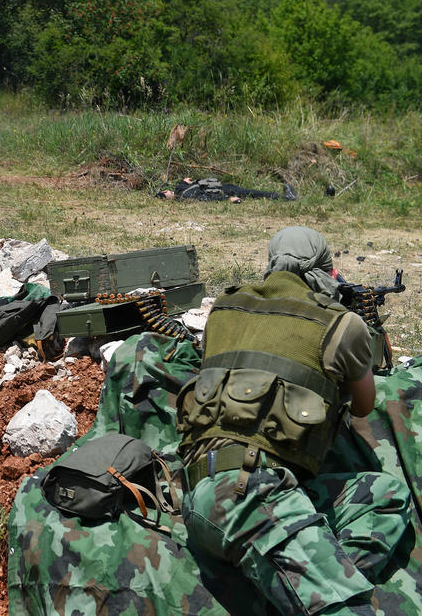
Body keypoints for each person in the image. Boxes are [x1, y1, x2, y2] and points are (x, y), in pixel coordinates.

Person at [176, 226, 410, 615]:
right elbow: (364, 404)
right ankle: (312, 588)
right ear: (327, 271)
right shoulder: (339, 324)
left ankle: (296, 583)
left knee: (384, 495)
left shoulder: (224, 308)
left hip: (200, 491)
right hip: (249, 497)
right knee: (347, 609)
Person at [156, 177, 297, 202]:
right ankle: (287, 198)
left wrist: (185, 181)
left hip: (221, 186)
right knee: (254, 193)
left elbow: (185, 181)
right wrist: (228, 199)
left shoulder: (180, 189)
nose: (167, 193)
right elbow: (207, 199)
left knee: (252, 192)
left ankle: (286, 196)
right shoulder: (185, 197)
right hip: (223, 191)